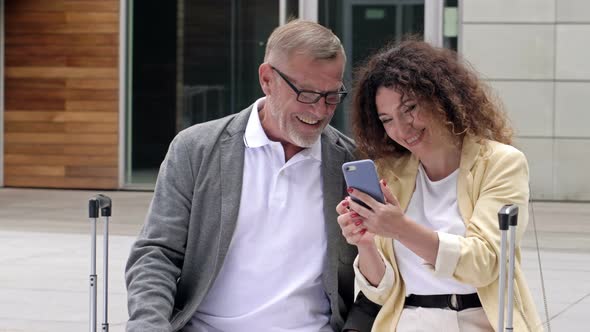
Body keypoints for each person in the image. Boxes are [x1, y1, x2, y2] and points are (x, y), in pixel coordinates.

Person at [125, 19, 378, 332]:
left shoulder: (349, 164)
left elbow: (378, 273)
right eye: (307, 94)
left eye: (331, 96)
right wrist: (148, 326)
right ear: (267, 79)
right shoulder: (196, 149)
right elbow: (157, 253)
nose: (320, 111)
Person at [335, 40, 543, 331]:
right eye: (387, 119)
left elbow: (484, 263)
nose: (402, 127)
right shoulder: (391, 173)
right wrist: (366, 244)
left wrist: (400, 228)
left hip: (477, 321)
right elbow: (378, 291)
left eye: (410, 108)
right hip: (406, 322)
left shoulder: (499, 163)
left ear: (441, 97)